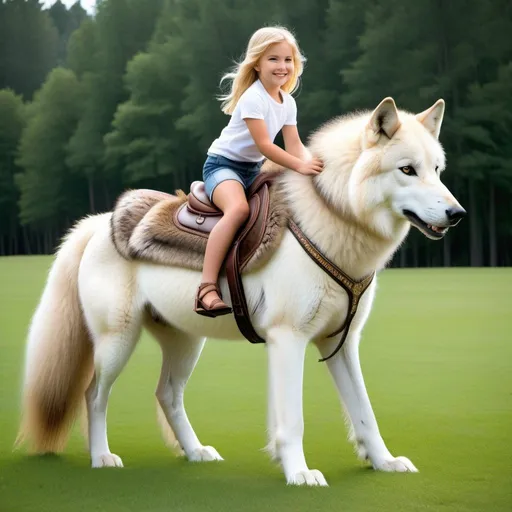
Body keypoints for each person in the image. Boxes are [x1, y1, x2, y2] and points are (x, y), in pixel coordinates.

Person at [195, 25, 323, 317]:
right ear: (257, 63)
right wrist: (300, 165)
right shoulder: (253, 98)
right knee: (238, 210)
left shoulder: (287, 102)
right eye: (273, 59)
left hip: (253, 169)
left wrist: (316, 164)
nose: (282, 66)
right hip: (223, 165)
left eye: (287, 60)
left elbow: (294, 145)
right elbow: (266, 146)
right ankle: (206, 287)